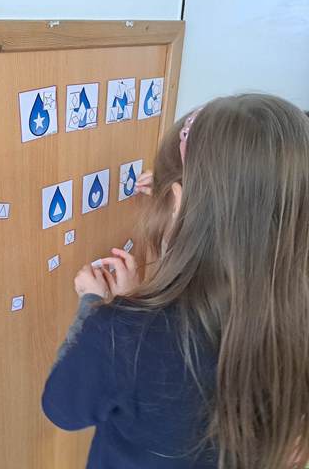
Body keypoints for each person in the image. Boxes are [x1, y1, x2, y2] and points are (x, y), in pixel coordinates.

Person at [42, 94, 309, 469]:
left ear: (177, 202)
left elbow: (62, 407)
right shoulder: (295, 318)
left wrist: (96, 306)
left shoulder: (121, 333)